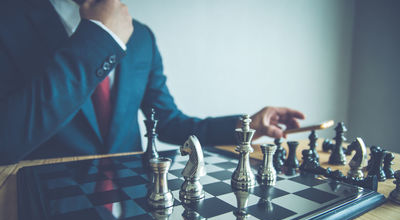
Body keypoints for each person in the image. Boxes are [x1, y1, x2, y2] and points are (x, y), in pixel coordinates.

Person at [0, 0, 305, 165]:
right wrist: (100, 39)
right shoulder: (8, 17)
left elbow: (170, 123)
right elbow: (8, 139)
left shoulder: (141, 36)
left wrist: (247, 125)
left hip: (132, 209)